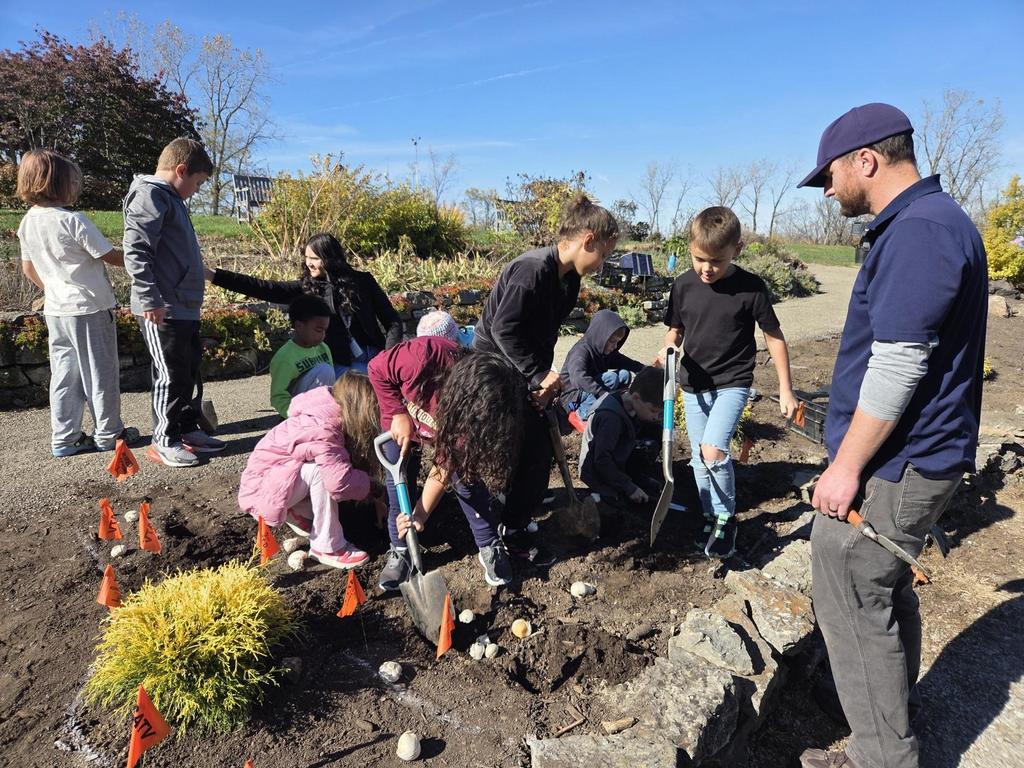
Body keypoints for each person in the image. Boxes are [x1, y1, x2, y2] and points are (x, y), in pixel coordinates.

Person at [797, 103, 987, 768]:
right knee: (882, 584)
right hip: (911, 457)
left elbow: (901, 359)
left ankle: (882, 755)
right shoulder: (930, 223)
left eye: (829, 176)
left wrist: (845, 467)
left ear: (867, 161)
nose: (826, 190)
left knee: (850, 582)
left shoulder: (921, 232)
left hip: (899, 463)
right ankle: (892, 717)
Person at [473, 194, 618, 559]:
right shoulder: (532, 270)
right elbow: (505, 330)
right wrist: (536, 374)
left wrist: (542, 383)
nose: (603, 264)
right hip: (493, 369)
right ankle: (499, 532)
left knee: (537, 450)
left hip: (523, 372)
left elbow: (543, 335)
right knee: (513, 450)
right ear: (588, 241)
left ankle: (515, 523)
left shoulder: (567, 281)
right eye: (604, 254)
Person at [659, 206, 798, 558]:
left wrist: (786, 387)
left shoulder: (751, 288)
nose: (706, 268)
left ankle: (726, 518)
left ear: (736, 249)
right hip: (694, 384)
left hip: (733, 381)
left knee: (714, 451)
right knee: (697, 459)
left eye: (716, 261)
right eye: (698, 258)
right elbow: (675, 330)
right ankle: (709, 514)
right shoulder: (683, 286)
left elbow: (774, 336)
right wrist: (669, 348)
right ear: (690, 248)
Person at [368, 337, 527, 589]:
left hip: (439, 428)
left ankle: (488, 543)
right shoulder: (422, 357)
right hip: (400, 421)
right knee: (397, 482)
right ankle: (400, 549)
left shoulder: (478, 416)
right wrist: (397, 413)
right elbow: (377, 368)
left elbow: (444, 465)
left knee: (465, 479)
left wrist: (420, 514)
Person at [15, 149, 140, 457]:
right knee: (100, 372)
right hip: (89, 309)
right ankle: (110, 433)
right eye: (73, 180)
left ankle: (65, 436)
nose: (77, 185)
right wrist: (143, 258)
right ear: (56, 183)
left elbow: (28, 268)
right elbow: (108, 256)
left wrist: (54, 288)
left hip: (57, 310)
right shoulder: (73, 220)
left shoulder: (28, 223)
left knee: (65, 374)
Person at [123, 137, 222, 467]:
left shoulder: (173, 199)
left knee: (188, 370)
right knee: (171, 373)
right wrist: (150, 298)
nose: (196, 189)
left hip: (184, 305)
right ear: (181, 170)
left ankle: (185, 428)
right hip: (162, 307)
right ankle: (163, 439)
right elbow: (136, 251)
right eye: (197, 183)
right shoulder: (150, 195)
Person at [237, 373, 380, 569]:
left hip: (272, 484)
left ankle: (298, 512)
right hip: (261, 494)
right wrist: (374, 488)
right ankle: (327, 547)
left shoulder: (323, 414)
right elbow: (339, 483)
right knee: (324, 473)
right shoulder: (324, 428)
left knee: (329, 467)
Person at [208, 232, 401, 375]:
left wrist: (389, 356)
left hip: (373, 356)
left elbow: (392, 320)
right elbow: (264, 287)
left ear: (330, 258)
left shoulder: (363, 281)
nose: (309, 263)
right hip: (337, 362)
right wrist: (214, 276)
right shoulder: (307, 288)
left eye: (315, 258)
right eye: (307, 257)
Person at [578, 366, 663, 506]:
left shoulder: (630, 402)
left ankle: (633, 477)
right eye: (653, 411)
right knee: (619, 505)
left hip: (618, 455)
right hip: (596, 470)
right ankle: (610, 490)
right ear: (636, 397)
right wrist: (629, 487)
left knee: (650, 442)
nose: (656, 416)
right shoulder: (611, 418)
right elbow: (601, 459)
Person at [559, 308, 643, 420]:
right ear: (600, 337)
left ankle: (613, 405)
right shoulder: (580, 351)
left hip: (591, 391)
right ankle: (584, 412)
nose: (615, 346)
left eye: (617, 342)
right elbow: (578, 378)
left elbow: (625, 362)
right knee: (611, 378)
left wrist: (644, 369)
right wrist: (603, 394)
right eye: (612, 341)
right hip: (573, 398)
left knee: (625, 375)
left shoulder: (604, 350)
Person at [269, 295, 334, 418]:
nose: (323, 335)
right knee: (324, 370)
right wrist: (294, 417)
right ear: (299, 326)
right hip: (298, 411)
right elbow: (278, 396)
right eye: (318, 330)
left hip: (320, 407)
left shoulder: (323, 348)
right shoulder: (285, 357)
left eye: (325, 330)